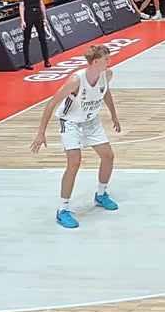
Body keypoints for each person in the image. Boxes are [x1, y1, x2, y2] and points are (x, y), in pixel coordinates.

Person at [30, 44, 123, 227]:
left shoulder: (107, 75)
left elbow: (105, 93)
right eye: (106, 59)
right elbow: (52, 102)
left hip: (91, 121)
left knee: (108, 155)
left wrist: (114, 115)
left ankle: (101, 194)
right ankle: (62, 209)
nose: (109, 62)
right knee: (74, 162)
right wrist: (41, 133)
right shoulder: (76, 80)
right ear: (96, 62)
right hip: (70, 122)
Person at [18, 0, 51, 70]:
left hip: (38, 15)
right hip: (28, 14)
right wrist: (22, 20)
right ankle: (27, 62)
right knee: (27, 39)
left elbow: (41, 4)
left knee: (42, 38)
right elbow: (21, 6)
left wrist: (44, 17)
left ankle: (46, 60)